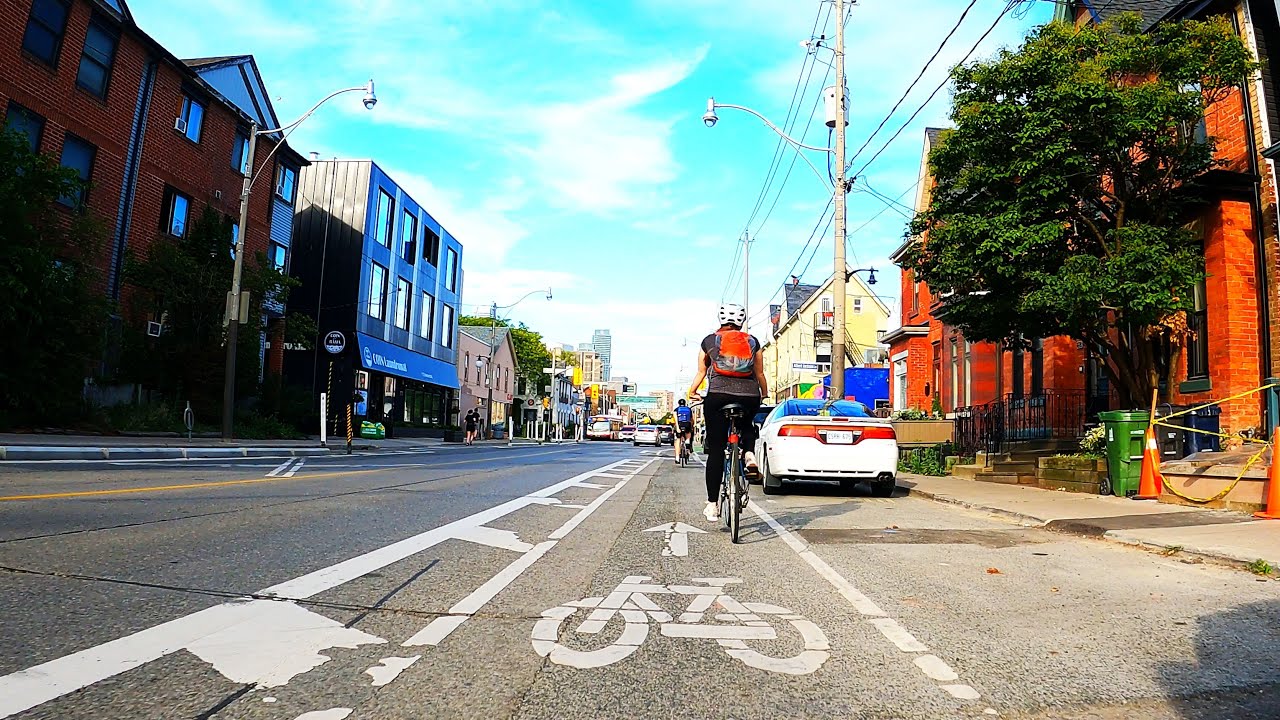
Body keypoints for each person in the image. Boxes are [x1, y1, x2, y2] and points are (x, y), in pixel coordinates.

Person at [687, 303, 768, 522]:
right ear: (741, 321)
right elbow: (759, 373)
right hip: (749, 395)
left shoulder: (708, 341)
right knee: (748, 423)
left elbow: (701, 371)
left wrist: (693, 391)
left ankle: (712, 505)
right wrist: (764, 393)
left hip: (718, 396)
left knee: (716, 451)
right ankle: (749, 453)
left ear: (721, 319)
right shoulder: (753, 341)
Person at [674, 399, 695, 464]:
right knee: (688, 433)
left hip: (680, 424)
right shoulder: (689, 409)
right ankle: (687, 441)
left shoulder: (676, 409)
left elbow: (675, 419)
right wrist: (692, 426)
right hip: (687, 424)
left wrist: (677, 427)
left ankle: (677, 457)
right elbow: (692, 420)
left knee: (678, 440)